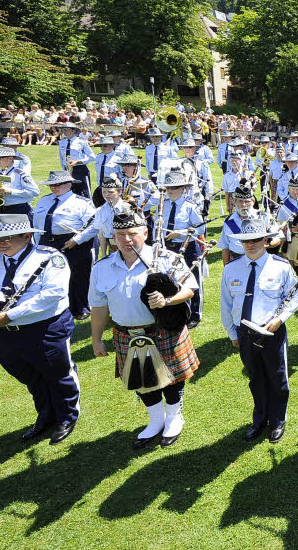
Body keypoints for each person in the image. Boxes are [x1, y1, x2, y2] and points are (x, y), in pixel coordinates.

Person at [89, 209, 199, 449]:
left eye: (132, 233)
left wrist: (167, 301)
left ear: (145, 233)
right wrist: (96, 339)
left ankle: (173, 417)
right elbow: (99, 307)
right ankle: (156, 420)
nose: (126, 240)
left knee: (172, 380)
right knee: (140, 380)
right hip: (127, 334)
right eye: (120, 235)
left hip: (163, 330)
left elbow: (190, 289)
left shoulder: (167, 259)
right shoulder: (102, 267)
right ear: (113, 237)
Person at [0, 214, 78, 445]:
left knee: (58, 375)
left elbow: (54, 293)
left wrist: (11, 315)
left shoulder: (50, 258)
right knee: (30, 378)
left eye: (7, 237)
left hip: (45, 329)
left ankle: (67, 417)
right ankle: (46, 417)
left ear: (27, 236)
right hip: (5, 334)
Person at [220, 219, 298, 443]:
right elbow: (226, 304)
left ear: (266, 240)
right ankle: (260, 419)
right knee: (255, 378)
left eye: (256, 239)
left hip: (271, 332)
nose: (251, 244)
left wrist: (280, 319)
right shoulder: (231, 269)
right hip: (245, 333)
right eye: (246, 241)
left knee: (277, 377)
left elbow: (293, 296)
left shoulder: (281, 266)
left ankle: (277, 420)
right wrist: (232, 333)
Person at [32, 170, 96, 320]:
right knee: (50, 275)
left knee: (78, 275)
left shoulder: (82, 203)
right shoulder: (44, 200)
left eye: (58, 184)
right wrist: (36, 244)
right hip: (46, 241)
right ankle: (56, 306)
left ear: (69, 184)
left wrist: (77, 240)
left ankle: (80, 307)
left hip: (73, 242)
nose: (54, 187)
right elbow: (36, 223)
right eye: (51, 185)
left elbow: (94, 225)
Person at [158, 171, 207, 326]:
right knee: (170, 279)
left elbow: (201, 228)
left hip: (187, 247)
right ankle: (177, 309)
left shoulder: (189, 207)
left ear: (183, 189)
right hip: (167, 248)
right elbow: (156, 225)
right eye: (168, 187)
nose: (170, 190)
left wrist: (180, 233)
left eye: (175, 187)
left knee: (193, 281)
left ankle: (195, 314)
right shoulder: (162, 205)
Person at [0, 145, 39, 217]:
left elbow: (35, 192)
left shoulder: (20, 174)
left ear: (10, 158)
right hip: (2, 210)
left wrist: (11, 191)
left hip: (20, 210)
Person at [57, 122, 94, 198]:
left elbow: (92, 156)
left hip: (80, 170)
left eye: (66, 129)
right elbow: (61, 158)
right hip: (67, 170)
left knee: (85, 192)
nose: (64, 131)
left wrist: (78, 162)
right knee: (69, 192)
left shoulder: (81, 142)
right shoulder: (61, 142)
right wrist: (64, 170)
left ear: (73, 130)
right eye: (63, 129)